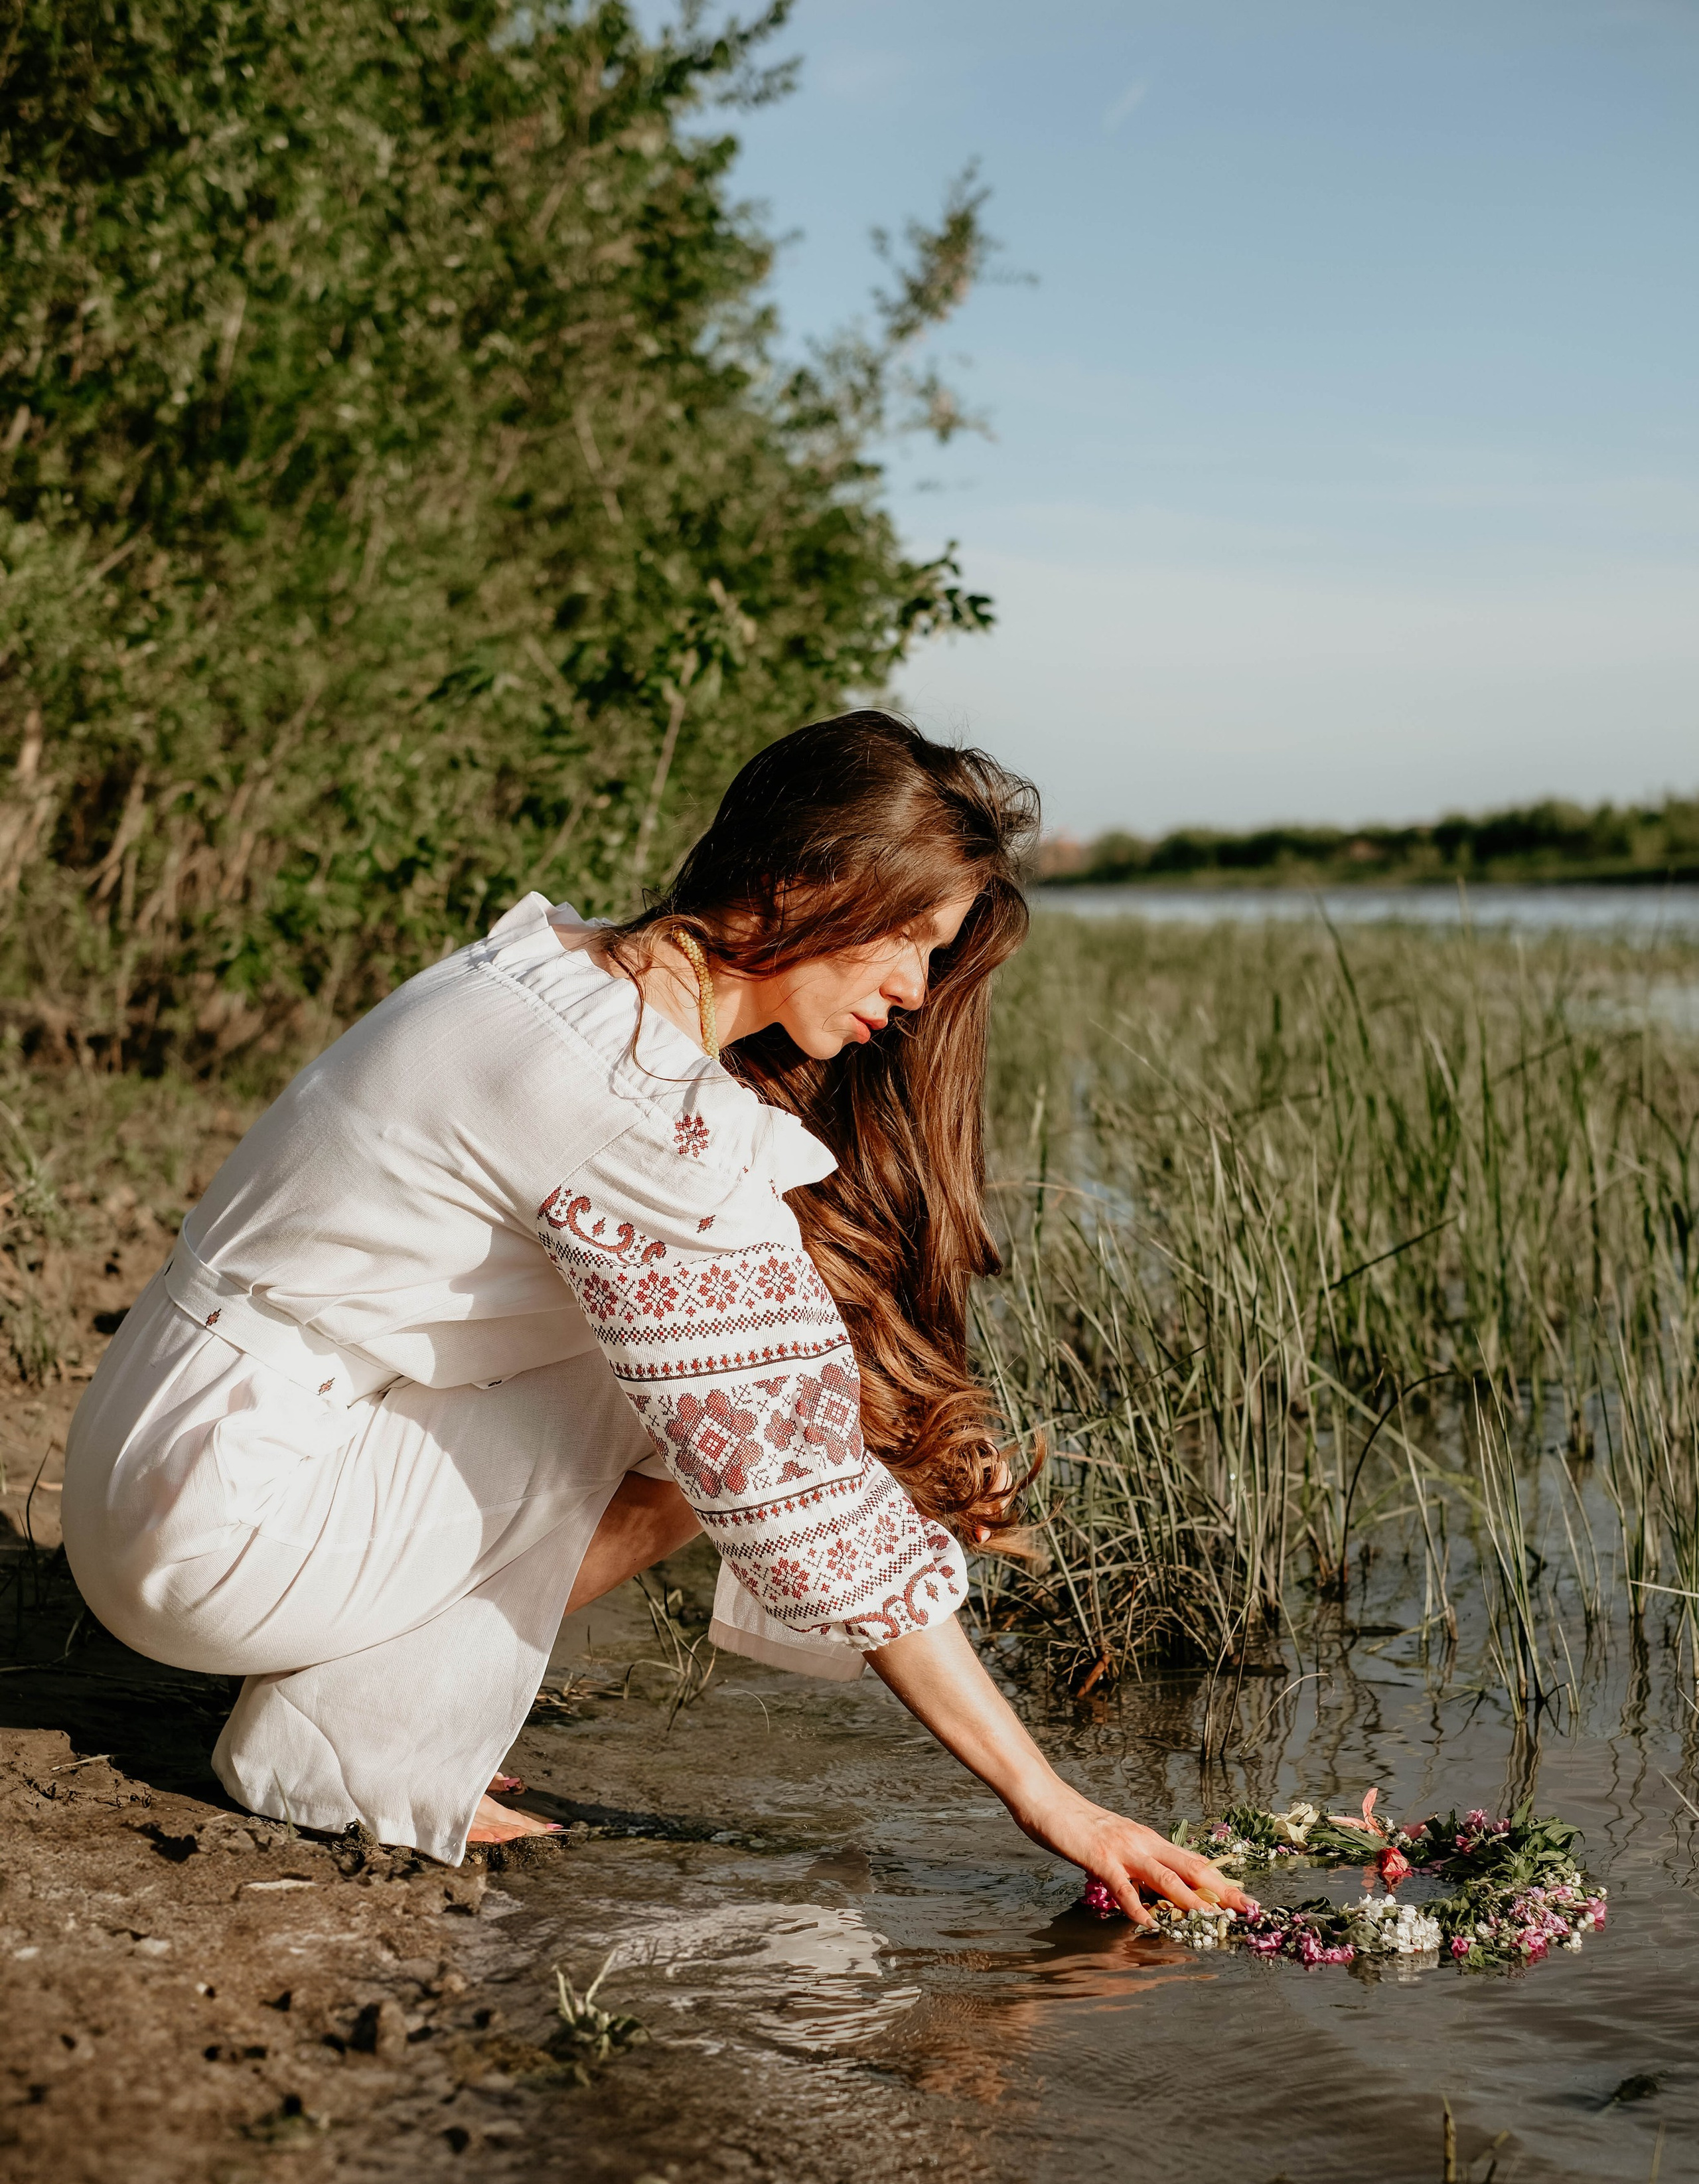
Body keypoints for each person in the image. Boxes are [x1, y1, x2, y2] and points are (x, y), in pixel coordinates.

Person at [62, 712, 1246, 1926]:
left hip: (166, 1441)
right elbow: (800, 1483)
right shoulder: (630, 1106)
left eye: (935, 954)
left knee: (715, 1379)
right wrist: (1054, 1801)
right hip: (215, 1528)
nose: (915, 988)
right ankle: (354, 1748)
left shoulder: (556, 975)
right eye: (906, 937)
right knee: (723, 1421)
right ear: (801, 880)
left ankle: (367, 1722)